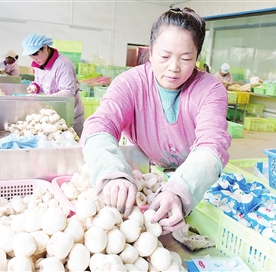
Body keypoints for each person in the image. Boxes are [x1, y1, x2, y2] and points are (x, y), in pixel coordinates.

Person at [80, 7, 231, 233]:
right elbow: (99, 126)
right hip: (146, 178)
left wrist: (179, 190)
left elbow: (212, 146)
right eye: (164, 56)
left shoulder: (210, 90)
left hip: (194, 181)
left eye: (186, 58)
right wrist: (112, 173)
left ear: (197, 57)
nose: (174, 68)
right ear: (150, 53)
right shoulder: (130, 84)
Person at [21, 33, 85, 136]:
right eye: (31, 56)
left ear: (45, 48)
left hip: (70, 115)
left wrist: (45, 99)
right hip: (52, 115)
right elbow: (39, 82)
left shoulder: (63, 64)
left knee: (71, 144)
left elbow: (68, 93)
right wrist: (35, 87)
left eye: (36, 54)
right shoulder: (39, 64)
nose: (34, 59)